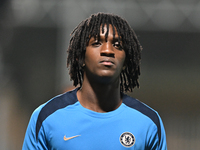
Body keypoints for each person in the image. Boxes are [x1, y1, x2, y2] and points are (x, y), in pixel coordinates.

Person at [22, 12, 167, 150]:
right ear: (80, 57)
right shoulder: (46, 117)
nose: (108, 50)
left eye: (117, 45)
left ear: (126, 62)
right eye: (97, 43)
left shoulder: (148, 122)